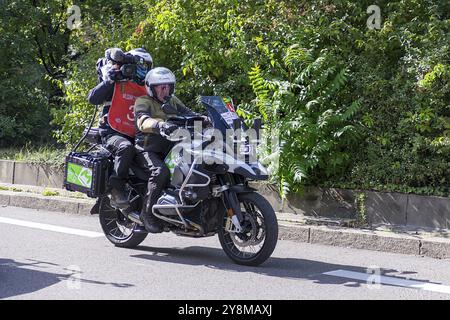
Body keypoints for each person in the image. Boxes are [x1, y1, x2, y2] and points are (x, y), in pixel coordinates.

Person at [133, 67, 198, 233]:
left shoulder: (172, 101)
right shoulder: (143, 101)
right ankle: (146, 214)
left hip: (171, 148)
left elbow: (189, 114)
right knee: (161, 172)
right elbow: (142, 121)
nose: (165, 90)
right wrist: (159, 125)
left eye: (168, 86)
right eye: (161, 87)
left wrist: (205, 119)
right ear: (150, 87)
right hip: (147, 149)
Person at [87, 47, 153, 210]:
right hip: (112, 132)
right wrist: (108, 81)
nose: (144, 70)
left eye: (148, 66)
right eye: (141, 65)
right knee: (125, 147)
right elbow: (93, 98)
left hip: (137, 134)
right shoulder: (116, 80)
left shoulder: (147, 87)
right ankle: (116, 189)